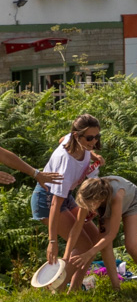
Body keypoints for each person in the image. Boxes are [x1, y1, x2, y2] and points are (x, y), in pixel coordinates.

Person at [32, 114, 103, 290]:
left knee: (95, 239)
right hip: (47, 200)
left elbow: (63, 138)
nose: (93, 141)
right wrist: (52, 242)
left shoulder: (74, 139)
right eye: (89, 138)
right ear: (78, 136)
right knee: (84, 244)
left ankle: (75, 290)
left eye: (96, 137)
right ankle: (58, 288)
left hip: (66, 196)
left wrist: (93, 155)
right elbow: (55, 204)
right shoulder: (66, 164)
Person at [65, 176, 137, 296]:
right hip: (107, 206)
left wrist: (89, 254)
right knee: (104, 246)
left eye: (89, 206)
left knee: (131, 245)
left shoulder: (116, 197)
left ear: (99, 200)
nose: (87, 208)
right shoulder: (87, 195)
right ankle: (116, 288)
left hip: (131, 202)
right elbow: (77, 227)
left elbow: (112, 234)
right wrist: (66, 255)